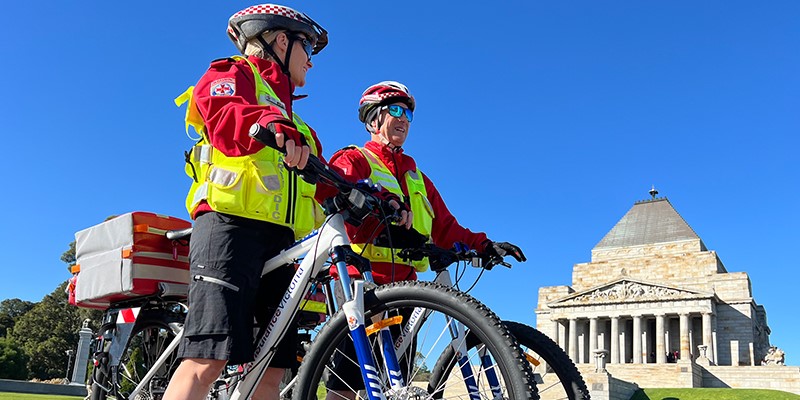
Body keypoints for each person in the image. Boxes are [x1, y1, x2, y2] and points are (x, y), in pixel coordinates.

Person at [165, 4, 333, 400]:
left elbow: (327, 183)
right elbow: (225, 114)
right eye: (307, 47)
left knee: (271, 371)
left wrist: (371, 200)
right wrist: (269, 123)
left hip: (283, 244)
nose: (310, 60)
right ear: (281, 41)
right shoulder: (231, 73)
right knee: (207, 360)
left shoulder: (300, 126)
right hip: (228, 227)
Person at [323, 81, 527, 399]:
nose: (403, 118)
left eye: (407, 113)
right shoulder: (355, 158)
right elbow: (338, 185)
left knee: (397, 387)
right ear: (373, 118)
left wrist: (484, 245)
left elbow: (446, 227)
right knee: (347, 384)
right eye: (394, 110)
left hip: (406, 287)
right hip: (361, 281)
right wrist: (383, 203)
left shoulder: (417, 177)